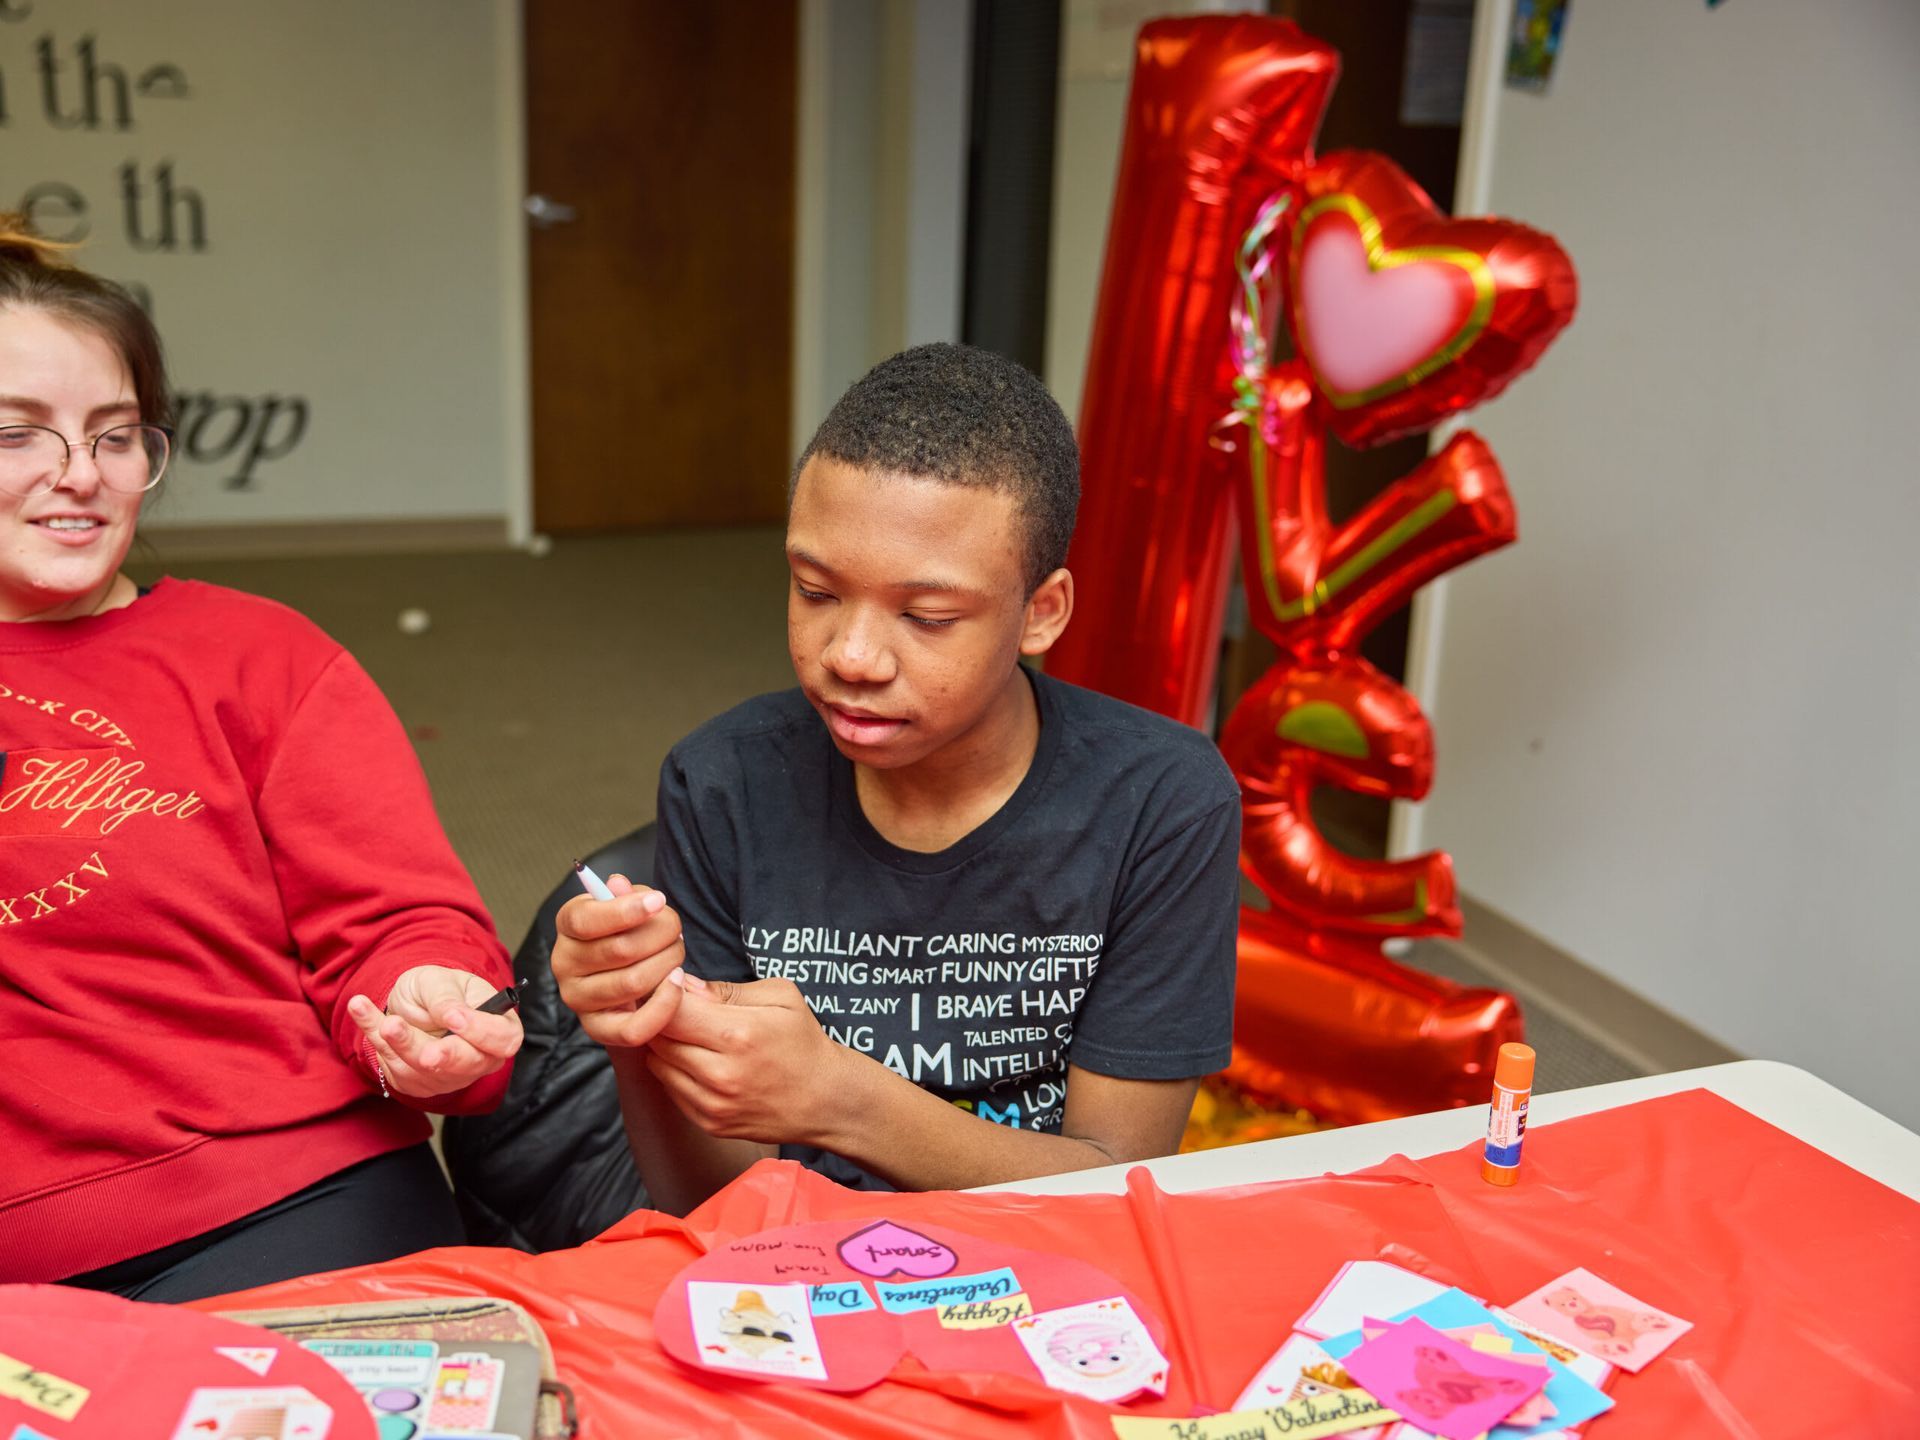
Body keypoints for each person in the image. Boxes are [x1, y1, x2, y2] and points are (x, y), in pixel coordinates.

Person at [554, 343, 1240, 1213]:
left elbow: (1114, 1189)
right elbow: (708, 1199)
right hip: (792, 1273)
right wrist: (634, 1027)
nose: (852, 657)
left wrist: (841, 1098)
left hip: (1040, 1277)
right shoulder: (723, 782)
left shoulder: (1160, 802)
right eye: (814, 592)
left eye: (927, 616)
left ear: (1042, 613)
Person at [0, 218, 522, 1301]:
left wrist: (426, 1004)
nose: (79, 474)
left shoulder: (262, 660)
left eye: (114, 433)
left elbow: (396, 921)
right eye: (17, 434)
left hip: (283, 1195)